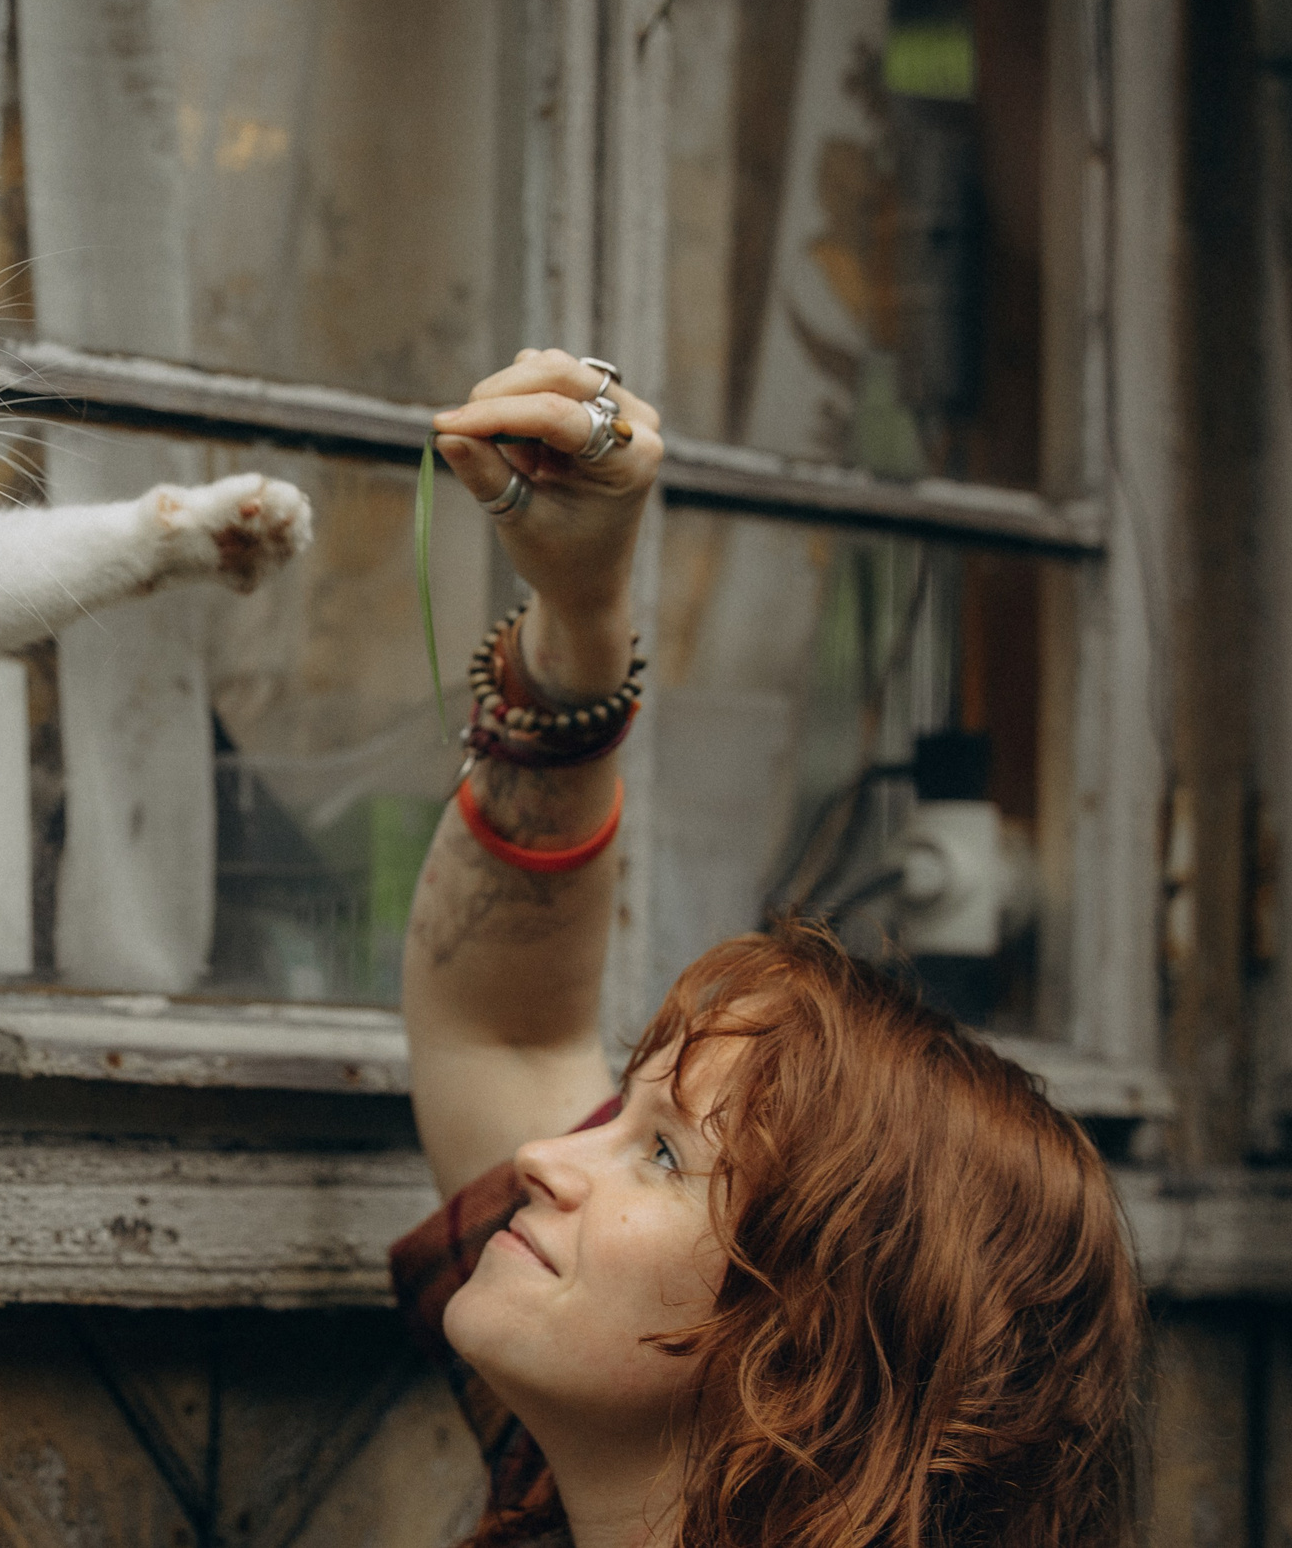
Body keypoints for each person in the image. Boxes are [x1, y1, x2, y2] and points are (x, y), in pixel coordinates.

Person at [396, 350, 1142, 1548]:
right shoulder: (567, 1489)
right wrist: (581, 613)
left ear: (798, 1355)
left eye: (661, 1154)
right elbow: (503, 1022)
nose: (545, 1154)